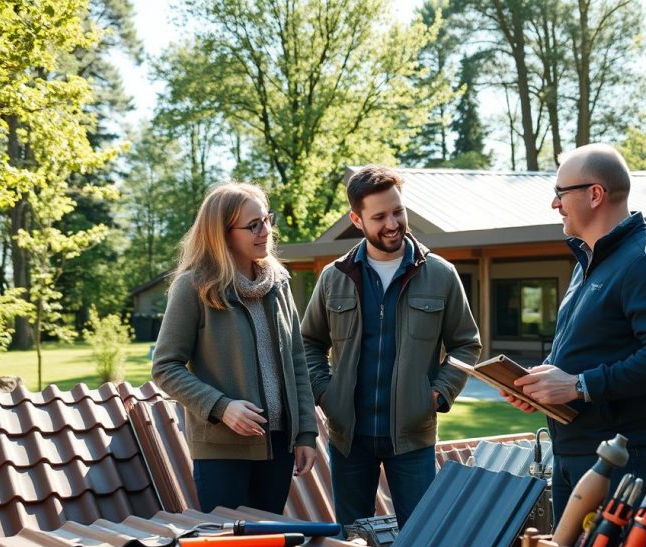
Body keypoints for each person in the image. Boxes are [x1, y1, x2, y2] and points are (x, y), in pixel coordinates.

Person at [503, 144, 646, 524]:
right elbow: (587, 351)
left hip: (620, 461)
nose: (554, 204)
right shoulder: (588, 262)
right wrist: (540, 385)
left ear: (595, 194)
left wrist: (578, 386)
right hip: (574, 452)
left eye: (560, 193)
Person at [301, 164, 482, 528]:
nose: (393, 223)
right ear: (357, 219)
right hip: (348, 438)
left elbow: (466, 344)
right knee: (353, 539)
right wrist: (325, 393)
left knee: (420, 537)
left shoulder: (441, 274)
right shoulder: (334, 277)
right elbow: (308, 343)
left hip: (412, 438)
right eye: (379, 216)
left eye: (397, 211)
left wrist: (436, 395)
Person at [152, 182, 317, 514]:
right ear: (222, 234)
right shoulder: (194, 287)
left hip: (279, 447)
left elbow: (297, 362)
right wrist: (221, 407)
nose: (265, 231)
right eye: (252, 225)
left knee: (269, 546)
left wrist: (306, 434)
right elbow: (165, 367)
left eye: (267, 220)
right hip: (222, 451)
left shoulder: (279, 283)